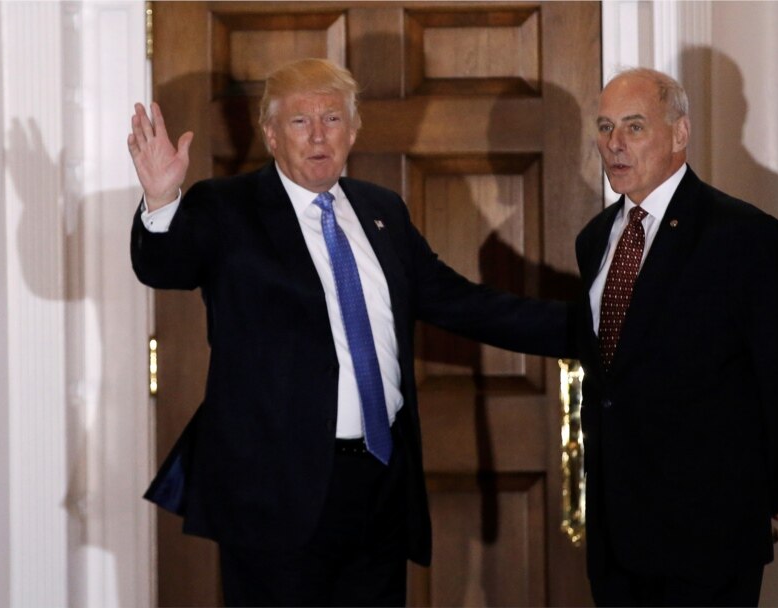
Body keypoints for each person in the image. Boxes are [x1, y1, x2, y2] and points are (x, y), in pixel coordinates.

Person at [126, 58, 573, 606]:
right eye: (300, 121)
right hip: (275, 496)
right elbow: (165, 267)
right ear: (271, 134)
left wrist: (595, 329)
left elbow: (463, 303)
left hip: (379, 483)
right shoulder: (227, 208)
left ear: (353, 130)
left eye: (332, 119)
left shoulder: (382, 210)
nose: (319, 135)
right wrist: (161, 202)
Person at [573, 67, 778, 606]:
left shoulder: (745, 237)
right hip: (616, 547)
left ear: (679, 133)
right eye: (605, 127)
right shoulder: (594, 240)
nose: (614, 144)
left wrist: (758, 496)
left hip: (710, 545)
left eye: (634, 127)